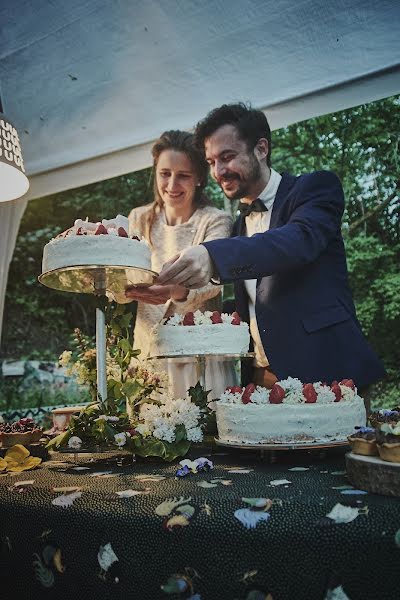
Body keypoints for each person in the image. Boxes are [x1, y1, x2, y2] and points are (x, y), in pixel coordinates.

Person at [156, 103, 386, 392]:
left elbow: (295, 242)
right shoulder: (239, 226)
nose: (219, 171)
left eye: (227, 157)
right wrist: (178, 291)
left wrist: (212, 253)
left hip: (329, 373)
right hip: (263, 380)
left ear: (261, 149)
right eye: (212, 161)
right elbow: (257, 305)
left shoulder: (315, 188)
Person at [125, 130, 233, 398]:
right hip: (147, 356)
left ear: (199, 178)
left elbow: (214, 282)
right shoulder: (138, 219)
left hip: (199, 360)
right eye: (165, 173)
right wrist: (121, 288)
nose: (172, 184)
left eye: (183, 175)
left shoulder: (216, 220)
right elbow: (121, 277)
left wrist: (175, 291)